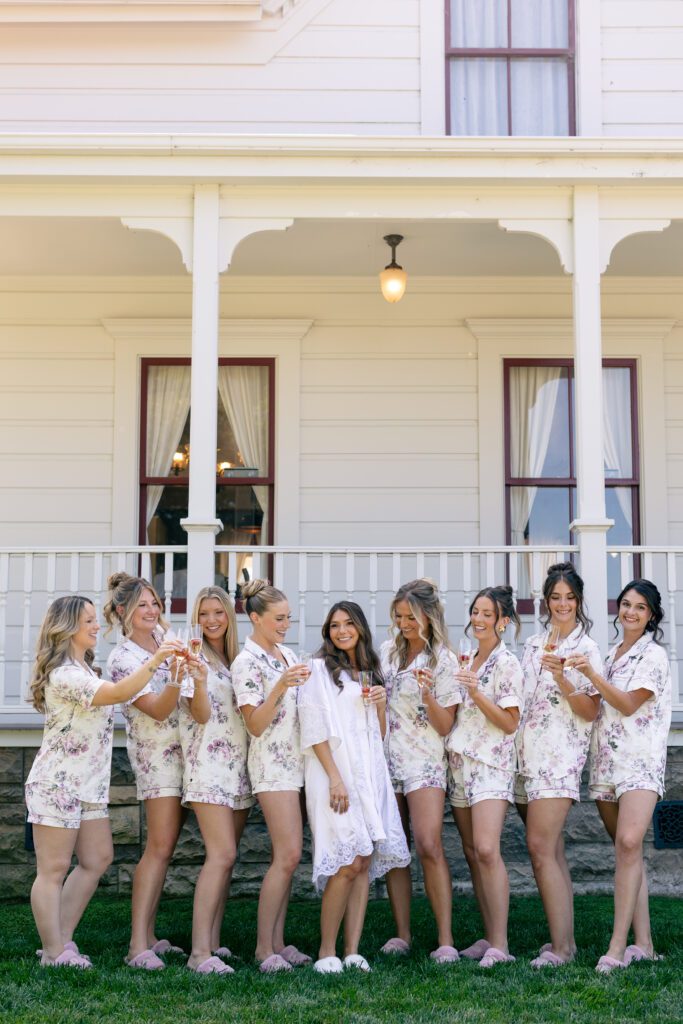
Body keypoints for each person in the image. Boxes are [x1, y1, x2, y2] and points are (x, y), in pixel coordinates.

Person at [25, 595, 179, 968]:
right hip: (57, 784)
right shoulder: (65, 673)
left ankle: (61, 940)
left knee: (98, 858)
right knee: (53, 869)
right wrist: (157, 660)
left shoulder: (85, 668)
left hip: (89, 785)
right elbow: (119, 693)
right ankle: (52, 952)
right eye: (89, 621)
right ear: (67, 627)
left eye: (95, 619)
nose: (97, 626)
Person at [299, 602, 410, 974]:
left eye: (348, 624)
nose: (341, 631)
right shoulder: (318, 670)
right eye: (334, 625)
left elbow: (377, 736)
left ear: (360, 628)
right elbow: (313, 729)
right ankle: (326, 951)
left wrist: (380, 706)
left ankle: (352, 950)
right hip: (335, 774)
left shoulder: (370, 670)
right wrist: (334, 777)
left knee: (363, 861)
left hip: (368, 776)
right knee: (345, 863)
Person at [105, 572, 208, 970]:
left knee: (165, 849)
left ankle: (150, 936)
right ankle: (136, 946)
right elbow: (159, 708)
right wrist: (175, 673)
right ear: (122, 612)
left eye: (154, 603)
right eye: (142, 605)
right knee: (159, 848)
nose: (151, 610)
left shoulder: (165, 638)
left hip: (184, 752)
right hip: (156, 757)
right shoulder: (123, 658)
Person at [573, 579, 672, 974]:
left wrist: (593, 677)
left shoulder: (654, 656)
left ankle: (616, 948)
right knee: (625, 850)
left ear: (651, 616)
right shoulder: (612, 654)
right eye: (626, 604)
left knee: (630, 842)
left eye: (640, 607)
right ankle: (644, 944)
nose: (630, 612)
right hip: (606, 762)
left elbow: (629, 704)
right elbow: (594, 707)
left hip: (640, 762)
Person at [516, 562, 602, 967]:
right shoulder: (533, 644)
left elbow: (589, 711)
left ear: (579, 601)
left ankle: (562, 950)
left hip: (560, 756)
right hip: (526, 756)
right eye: (556, 597)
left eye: (570, 598)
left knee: (539, 846)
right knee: (552, 850)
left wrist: (564, 679)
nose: (563, 604)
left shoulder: (586, 649)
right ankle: (564, 942)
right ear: (546, 601)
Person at [231, 579, 311, 973]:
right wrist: (280, 686)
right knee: (288, 854)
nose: (285, 625)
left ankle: (279, 942)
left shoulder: (285, 654)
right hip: (271, 766)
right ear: (255, 618)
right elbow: (256, 725)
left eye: (288, 618)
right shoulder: (245, 664)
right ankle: (264, 948)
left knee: (290, 858)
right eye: (279, 619)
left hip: (297, 766)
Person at [380, 578, 460, 963]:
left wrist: (427, 693)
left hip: (426, 760)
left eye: (410, 616)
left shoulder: (444, 659)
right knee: (396, 850)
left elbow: (445, 725)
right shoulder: (386, 654)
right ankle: (402, 934)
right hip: (387, 760)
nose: (404, 624)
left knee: (428, 844)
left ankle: (445, 939)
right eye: (398, 616)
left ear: (428, 616)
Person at [178, 586, 255, 975]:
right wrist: (201, 681)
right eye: (204, 613)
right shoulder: (194, 659)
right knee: (220, 855)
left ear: (229, 617)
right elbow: (202, 714)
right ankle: (197, 954)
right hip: (208, 766)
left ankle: (214, 942)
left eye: (218, 613)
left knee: (228, 860)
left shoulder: (236, 659)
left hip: (238, 768)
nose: (211, 620)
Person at [448, 586, 523, 968]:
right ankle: (488, 935)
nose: (478, 619)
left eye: (487, 614)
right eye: (475, 612)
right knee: (473, 852)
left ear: (503, 622)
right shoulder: (469, 658)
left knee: (488, 849)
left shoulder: (507, 663)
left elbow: (510, 723)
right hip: (461, 763)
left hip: (491, 765)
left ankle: (502, 944)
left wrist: (476, 694)